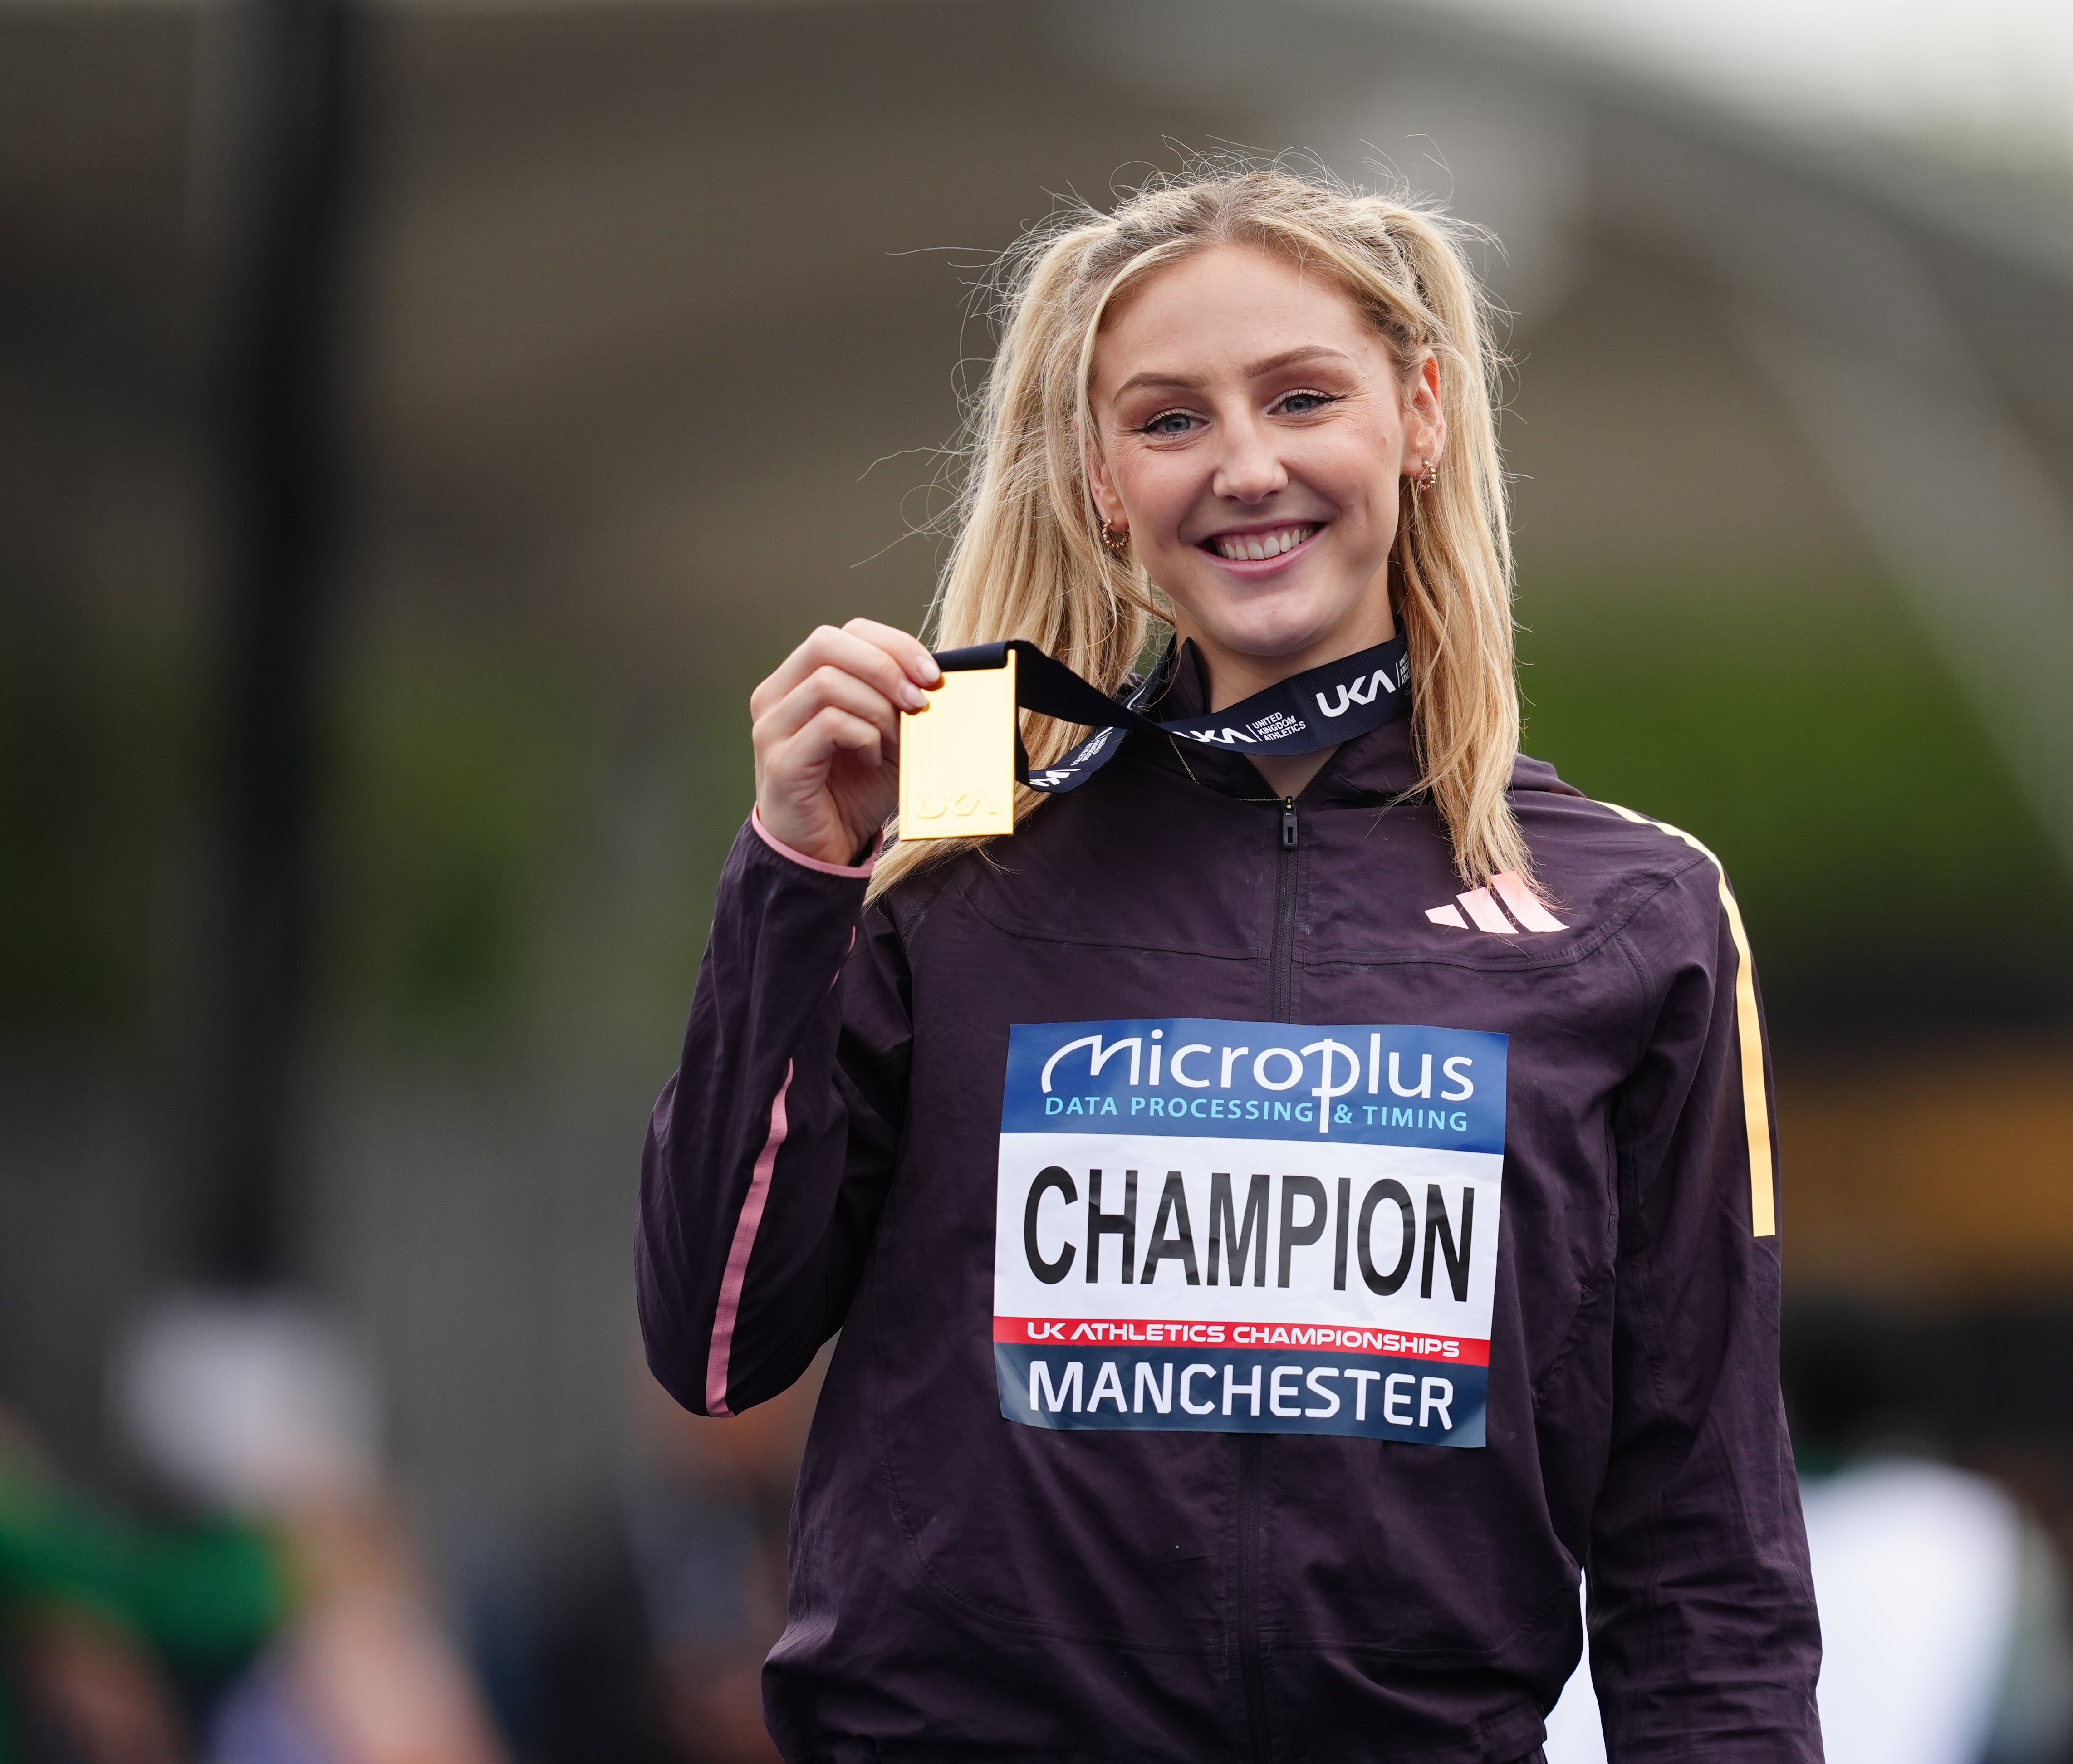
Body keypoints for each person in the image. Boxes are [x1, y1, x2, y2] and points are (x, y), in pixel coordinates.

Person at [637, 164, 1822, 1762]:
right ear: (1100, 477)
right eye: (1171, 419)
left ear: (1420, 414)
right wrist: (795, 871)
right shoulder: (939, 876)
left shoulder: (1633, 911)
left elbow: (1703, 1549)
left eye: (1302, 396)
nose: (1246, 467)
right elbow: (716, 1346)